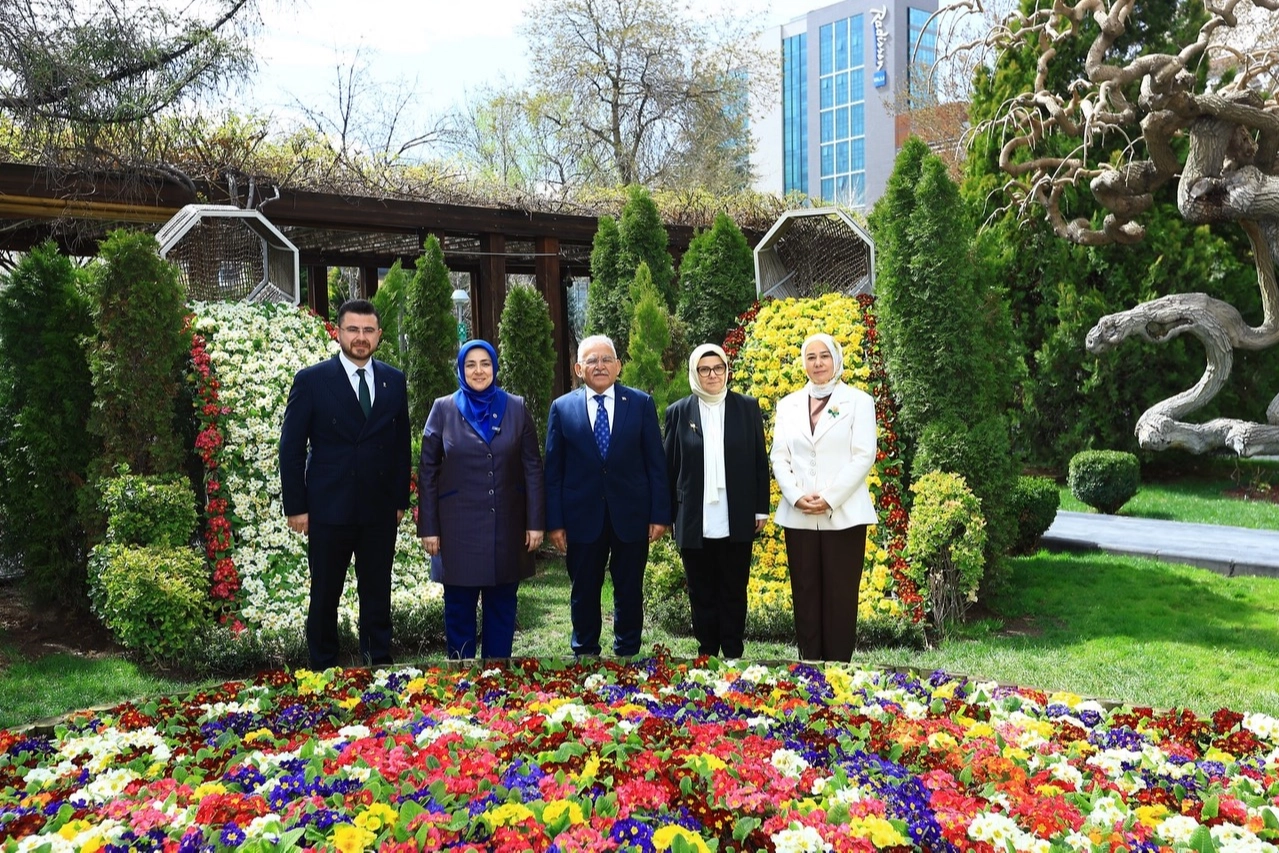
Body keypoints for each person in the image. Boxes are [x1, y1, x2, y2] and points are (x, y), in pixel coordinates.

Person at [279, 298, 411, 669]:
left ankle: (379, 666)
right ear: (339, 332)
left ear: (379, 335)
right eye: (353, 329)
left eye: (368, 330)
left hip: (378, 510)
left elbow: (401, 445)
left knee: (377, 593)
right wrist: (297, 506)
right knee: (325, 595)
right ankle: (322, 668)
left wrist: (399, 499)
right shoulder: (312, 380)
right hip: (327, 508)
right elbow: (291, 448)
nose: (360, 337)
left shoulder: (392, 380)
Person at [545, 334, 671, 657]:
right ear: (578, 368)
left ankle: (627, 650)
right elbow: (553, 471)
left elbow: (656, 464)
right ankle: (585, 651)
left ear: (618, 366)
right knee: (584, 589)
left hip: (631, 516)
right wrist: (555, 523)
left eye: (605, 360)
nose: (599, 366)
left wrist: (660, 515)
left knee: (629, 589)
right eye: (591, 360)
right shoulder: (562, 408)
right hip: (581, 517)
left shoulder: (641, 404)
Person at [418, 339, 545, 659]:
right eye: (470, 364)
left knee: (502, 608)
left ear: (495, 367)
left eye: (485, 364)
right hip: (456, 531)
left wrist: (535, 523)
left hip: (507, 529)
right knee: (459, 609)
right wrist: (428, 528)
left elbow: (532, 467)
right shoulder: (443, 409)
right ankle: (462, 677)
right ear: (461, 369)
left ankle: (496, 677)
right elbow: (428, 472)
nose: (478, 370)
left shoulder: (516, 407)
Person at [770, 333, 877, 662]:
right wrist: (797, 496)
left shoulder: (859, 402)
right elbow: (779, 457)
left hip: (844, 515)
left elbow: (863, 455)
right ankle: (810, 667)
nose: (818, 363)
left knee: (840, 596)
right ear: (803, 363)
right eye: (811, 357)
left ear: (836, 360)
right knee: (804, 593)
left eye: (824, 356)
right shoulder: (787, 405)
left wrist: (829, 498)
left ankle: (839, 668)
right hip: (798, 515)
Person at [663, 344, 770, 659]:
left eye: (718, 368)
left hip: (735, 513)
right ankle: (707, 652)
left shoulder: (746, 407)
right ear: (694, 373)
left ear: (727, 370)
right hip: (694, 516)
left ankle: (734, 652)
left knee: (734, 589)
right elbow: (670, 468)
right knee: (701, 591)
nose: (712, 375)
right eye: (704, 369)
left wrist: (760, 507)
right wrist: (668, 515)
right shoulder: (679, 412)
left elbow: (758, 462)